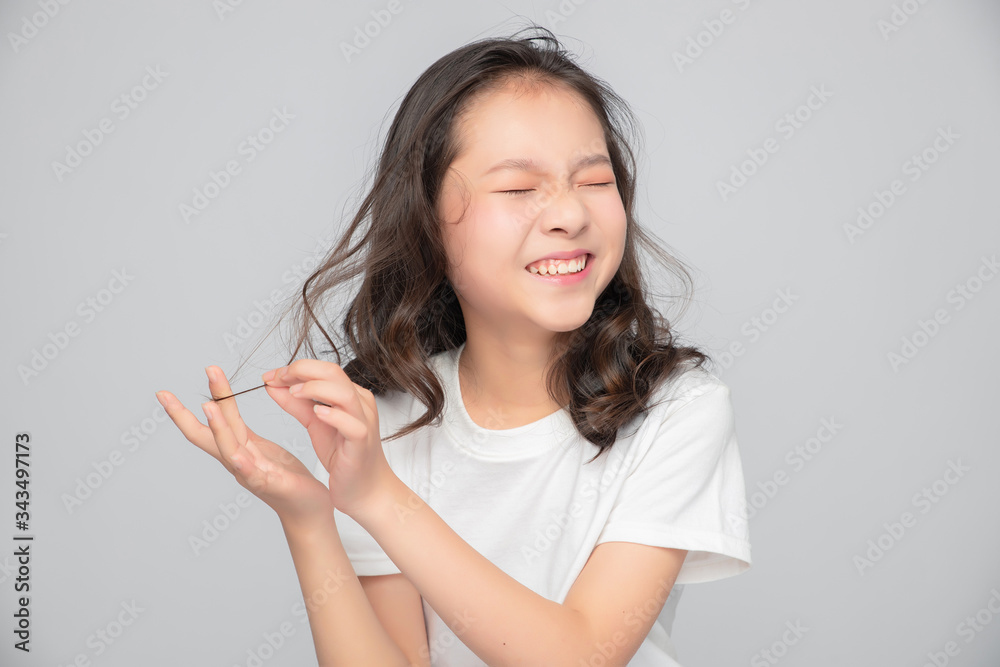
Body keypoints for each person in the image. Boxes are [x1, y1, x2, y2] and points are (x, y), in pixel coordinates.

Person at [155, 24, 752, 666]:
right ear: (427, 224)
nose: (570, 215)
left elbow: (579, 657)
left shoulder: (674, 410)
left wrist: (379, 496)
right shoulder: (387, 420)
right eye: (519, 189)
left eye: (595, 181)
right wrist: (309, 517)